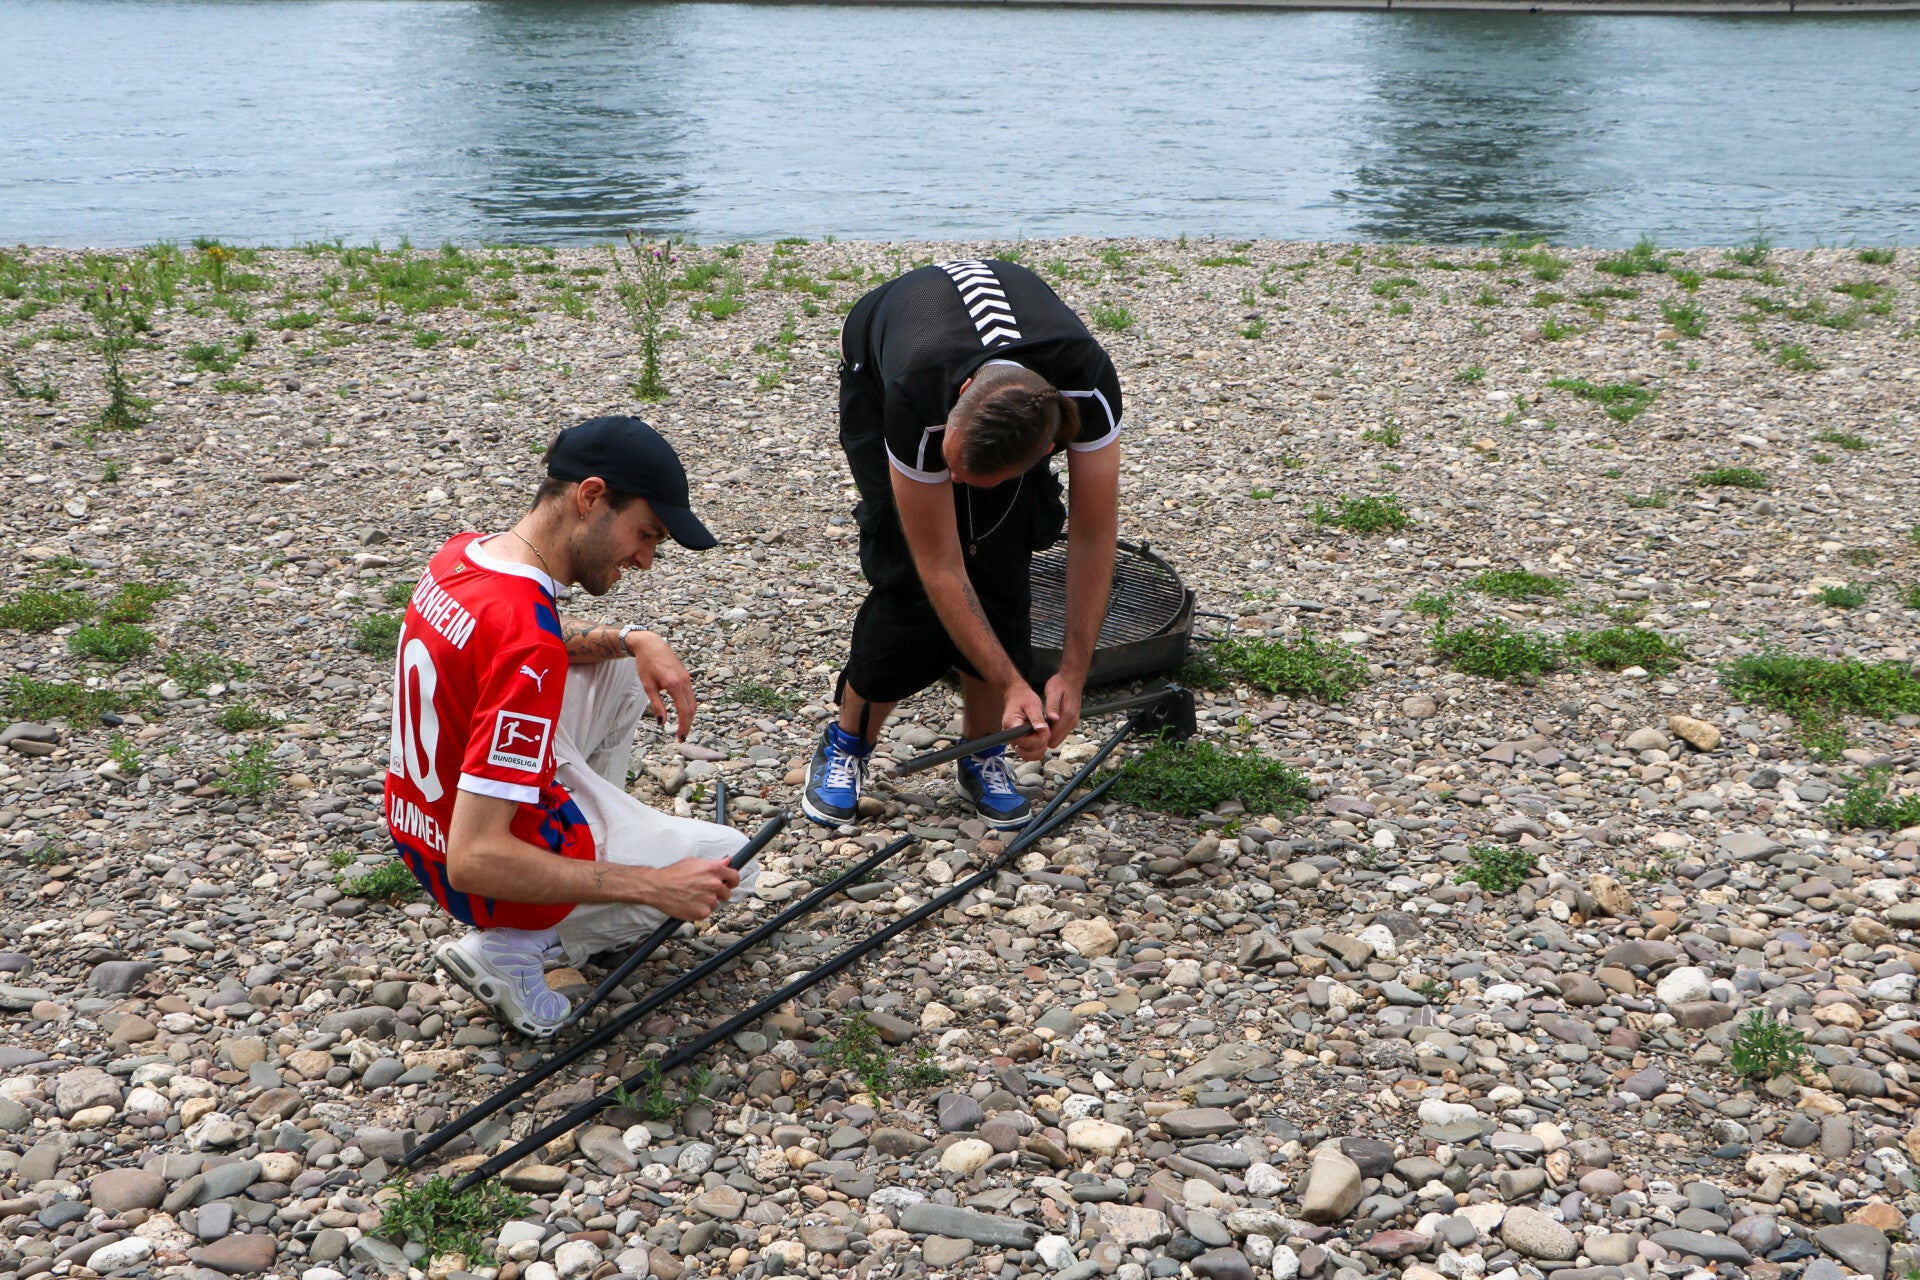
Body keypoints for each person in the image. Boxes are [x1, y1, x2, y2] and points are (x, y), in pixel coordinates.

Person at [383, 415, 750, 1038]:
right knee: (729, 862)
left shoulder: (463, 555)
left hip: (417, 824)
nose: (645, 559)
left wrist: (634, 638)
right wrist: (654, 885)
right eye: (645, 534)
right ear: (590, 497)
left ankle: (596, 836)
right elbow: (473, 860)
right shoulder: (527, 646)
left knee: (623, 669)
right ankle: (517, 946)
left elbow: (528, 640)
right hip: (474, 867)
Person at [805, 258, 1122, 830]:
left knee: (1002, 555)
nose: (949, 484)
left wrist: (1073, 673)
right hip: (884, 354)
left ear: (1047, 449)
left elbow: (1093, 534)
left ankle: (982, 749)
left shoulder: (1089, 386)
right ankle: (847, 741)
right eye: (948, 465)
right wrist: (1014, 682)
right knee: (905, 572)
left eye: (966, 478)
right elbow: (940, 564)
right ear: (965, 394)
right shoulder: (915, 394)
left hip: (997, 383)